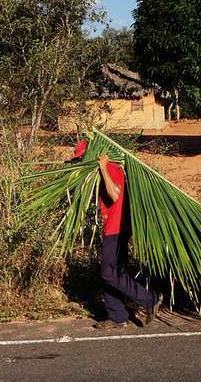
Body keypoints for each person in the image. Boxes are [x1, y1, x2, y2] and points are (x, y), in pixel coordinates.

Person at [69, 140, 163, 329]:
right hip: (112, 227)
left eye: (81, 159)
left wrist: (103, 167)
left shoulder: (110, 167)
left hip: (117, 227)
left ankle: (151, 299)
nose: (80, 164)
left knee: (108, 272)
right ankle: (117, 316)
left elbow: (115, 194)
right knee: (112, 272)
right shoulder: (104, 170)